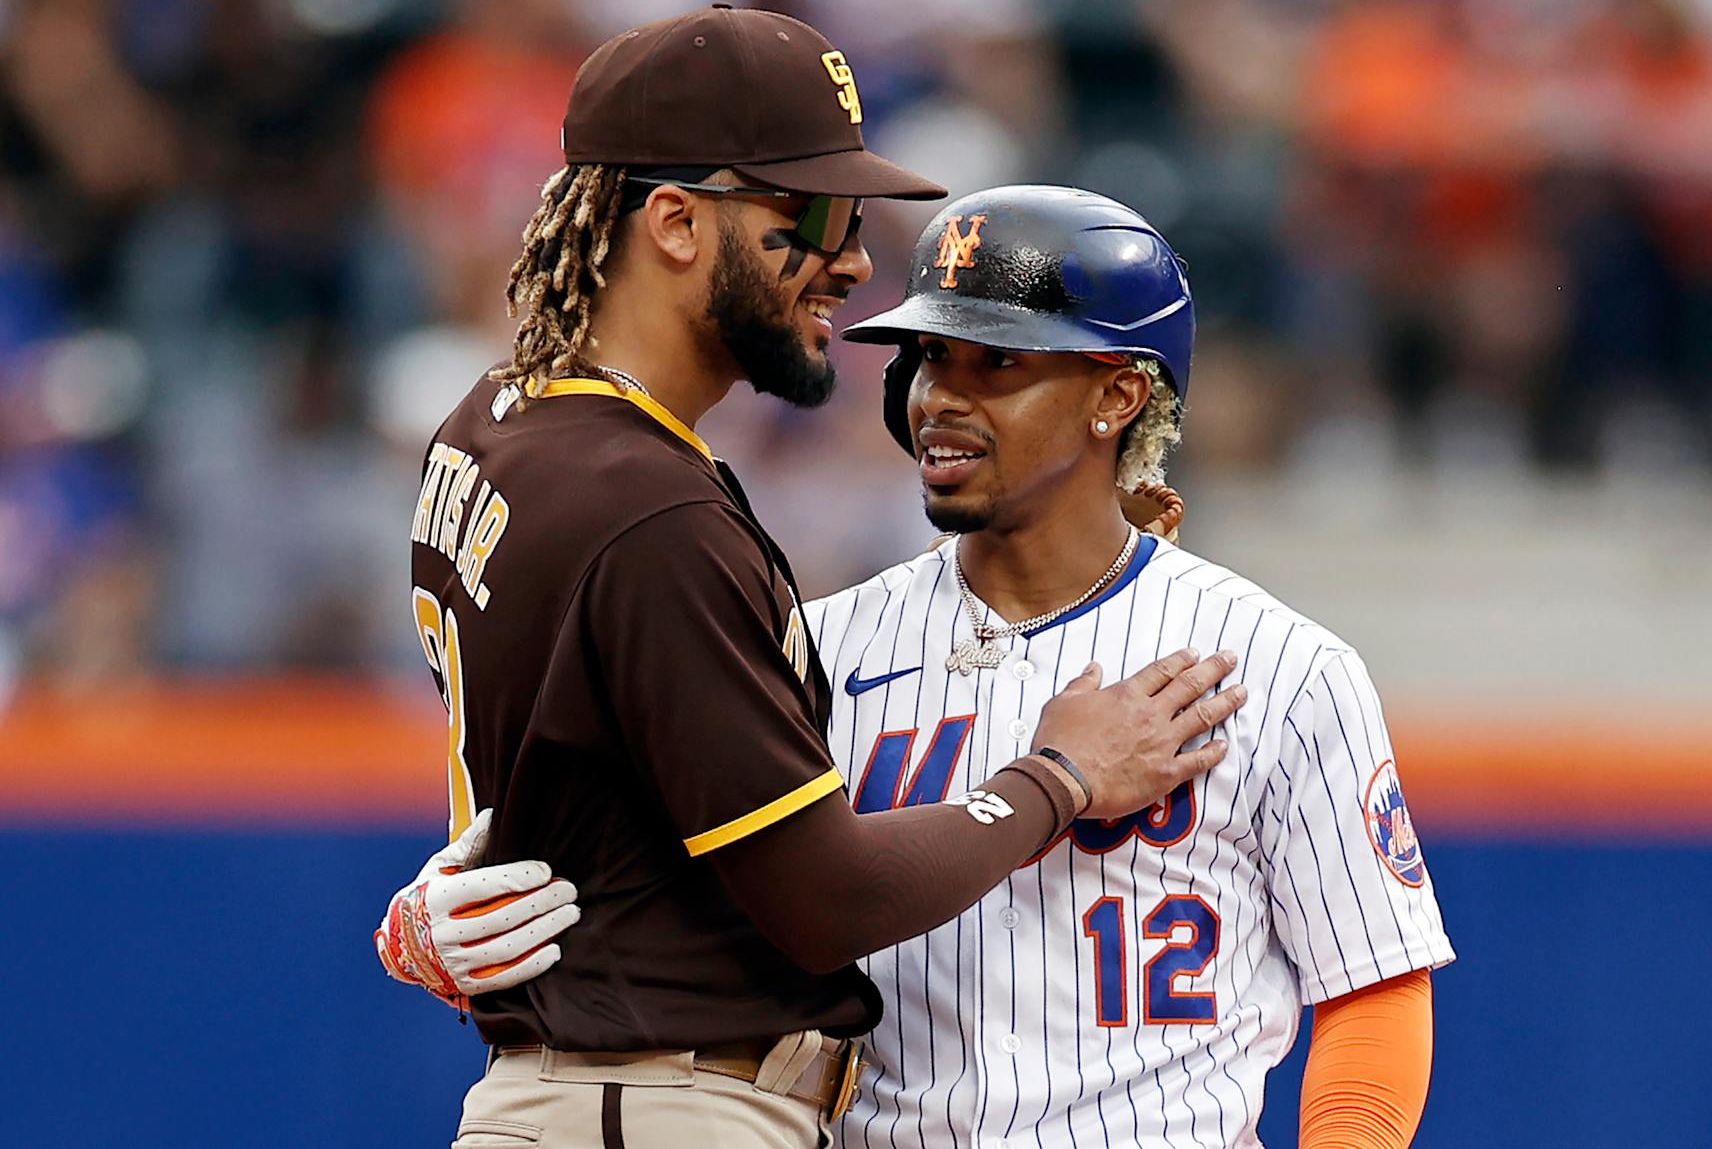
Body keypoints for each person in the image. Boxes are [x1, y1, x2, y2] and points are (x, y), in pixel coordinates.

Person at [390, 183, 1456, 1149]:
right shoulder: (818, 642)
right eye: (927, 357)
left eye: (997, 362)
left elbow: (1372, 983)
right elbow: (638, 875)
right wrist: (437, 909)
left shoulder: (1278, 664)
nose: (940, 397)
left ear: (1119, 395)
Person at [378, 8, 1245, 1149]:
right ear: (677, 221)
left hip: (576, 1092)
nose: (851, 259)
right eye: (812, 215)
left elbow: (574, 764)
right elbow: (826, 897)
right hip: (662, 1107)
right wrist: (1060, 775)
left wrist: (433, 916)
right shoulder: (649, 509)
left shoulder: (488, 423)